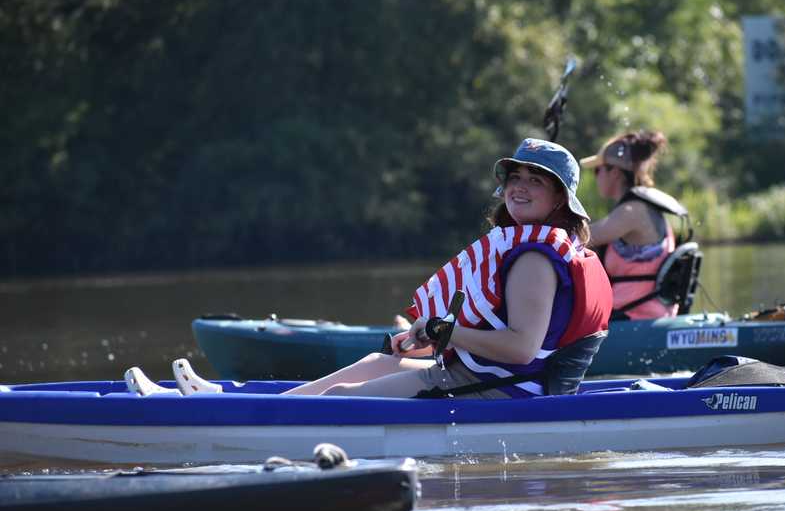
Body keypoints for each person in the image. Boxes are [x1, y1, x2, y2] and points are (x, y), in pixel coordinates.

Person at [126, 138, 613, 399]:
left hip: (498, 392)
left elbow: (523, 347)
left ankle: (240, 416)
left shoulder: (532, 258)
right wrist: (435, 337)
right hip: (477, 373)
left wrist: (449, 332)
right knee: (372, 362)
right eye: (516, 177)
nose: (519, 187)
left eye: (536, 181)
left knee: (343, 395)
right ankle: (242, 406)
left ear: (559, 201)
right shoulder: (529, 245)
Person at [579, 130, 690, 320]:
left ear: (614, 172)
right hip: (643, 317)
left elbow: (581, 238)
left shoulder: (633, 211)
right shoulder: (644, 205)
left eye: (598, 170)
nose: (595, 176)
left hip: (635, 319)